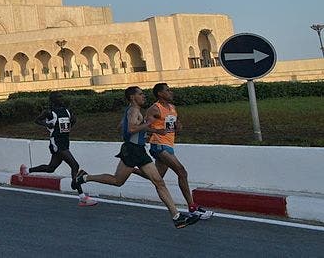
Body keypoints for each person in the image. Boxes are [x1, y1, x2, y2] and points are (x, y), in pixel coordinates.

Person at [74, 86, 200, 229]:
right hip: (132, 150)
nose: (144, 96)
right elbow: (131, 129)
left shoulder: (132, 111)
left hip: (139, 150)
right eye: (140, 94)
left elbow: (121, 126)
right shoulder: (134, 110)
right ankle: (84, 178)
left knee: (159, 182)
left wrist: (154, 130)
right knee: (117, 181)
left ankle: (177, 217)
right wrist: (147, 124)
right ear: (133, 97)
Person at [138, 83, 213, 219]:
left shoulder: (172, 108)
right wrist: (156, 131)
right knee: (182, 172)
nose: (171, 92)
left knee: (156, 176)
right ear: (160, 94)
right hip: (158, 145)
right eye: (167, 90)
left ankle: (130, 168)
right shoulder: (155, 109)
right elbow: (143, 127)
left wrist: (179, 126)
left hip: (169, 145)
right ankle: (192, 207)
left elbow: (174, 126)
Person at [19, 91, 96, 206]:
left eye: (61, 97)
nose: (61, 98)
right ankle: (82, 197)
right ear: (52, 100)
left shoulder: (67, 111)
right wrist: (46, 124)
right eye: (58, 97)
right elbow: (37, 120)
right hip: (56, 143)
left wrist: (72, 122)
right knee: (75, 165)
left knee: (51, 168)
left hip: (65, 142)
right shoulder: (49, 112)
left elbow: (70, 123)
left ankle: (26, 171)